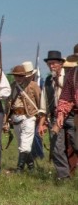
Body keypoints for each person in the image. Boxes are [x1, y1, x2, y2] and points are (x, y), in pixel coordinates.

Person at [38, 50, 74, 180]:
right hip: (54, 117)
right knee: (57, 148)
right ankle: (64, 177)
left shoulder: (69, 76)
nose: (51, 66)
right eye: (49, 64)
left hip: (71, 115)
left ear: (61, 64)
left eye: (53, 63)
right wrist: (41, 123)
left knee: (76, 144)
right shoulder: (48, 80)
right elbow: (44, 103)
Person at [6, 62, 42, 172]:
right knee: (22, 144)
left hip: (29, 117)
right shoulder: (12, 86)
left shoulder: (33, 85)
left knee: (25, 144)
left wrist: (42, 118)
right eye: (16, 75)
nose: (18, 78)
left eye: (20, 75)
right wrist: (6, 120)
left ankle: (19, 168)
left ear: (24, 75)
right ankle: (31, 167)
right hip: (16, 118)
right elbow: (8, 104)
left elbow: (40, 100)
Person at [55, 44, 78, 174]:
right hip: (76, 115)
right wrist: (61, 114)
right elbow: (66, 97)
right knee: (76, 144)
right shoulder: (73, 74)